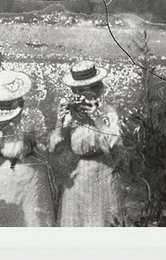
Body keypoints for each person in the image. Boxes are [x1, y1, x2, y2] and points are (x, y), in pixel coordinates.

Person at [0, 70, 55, 227]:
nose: (5, 108)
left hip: (31, 175)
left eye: (10, 103)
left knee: (33, 221)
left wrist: (32, 140)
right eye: (1, 103)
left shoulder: (33, 117)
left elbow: (47, 150)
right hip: (3, 175)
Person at [49, 60, 122, 227]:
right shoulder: (72, 114)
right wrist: (60, 122)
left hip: (102, 172)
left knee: (102, 221)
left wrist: (96, 117)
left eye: (84, 90)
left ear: (96, 89)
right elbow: (54, 148)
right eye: (76, 90)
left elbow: (112, 145)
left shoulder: (108, 113)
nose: (79, 95)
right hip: (79, 174)